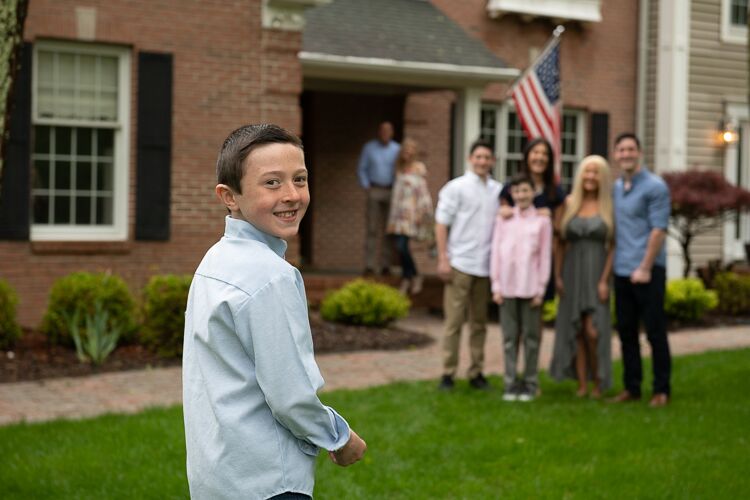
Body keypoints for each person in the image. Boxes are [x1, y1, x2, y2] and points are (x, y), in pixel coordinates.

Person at [183, 124, 367, 499]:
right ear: (228, 196)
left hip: (218, 475)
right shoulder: (271, 277)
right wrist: (339, 437)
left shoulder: (215, 261)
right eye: (272, 183)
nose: (292, 195)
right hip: (267, 482)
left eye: (300, 179)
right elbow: (290, 394)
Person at [609, 132, 672, 408]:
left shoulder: (655, 187)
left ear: (640, 152)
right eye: (621, 150)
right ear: (615, 155)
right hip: (622, 271)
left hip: (648, 271)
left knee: (655, 332)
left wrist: (645, 267)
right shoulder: (616, 188)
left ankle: (661, 389)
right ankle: (631, 387)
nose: (626, 154)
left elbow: (659, 230)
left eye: (630, 149)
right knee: (626, 332)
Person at [435, 139, 502, 390]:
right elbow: (441, 223)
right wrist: (443, 258)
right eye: (479, 157)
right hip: (459, 264)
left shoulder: (497, 191)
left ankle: (476, 372)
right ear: (470, 159)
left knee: (479, 324)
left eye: (487, 157)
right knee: (453, 323)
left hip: (485, 266)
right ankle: (448, 373)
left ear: (493, 161)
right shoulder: (456, 188)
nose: (483, 161)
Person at [549, 155, 614, 398]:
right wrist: (557, 276)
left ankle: (598, 381)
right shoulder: (569, 203)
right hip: (571, 271)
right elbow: (560, 243)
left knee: (593, 331)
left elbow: (614, 246)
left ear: (603, 177)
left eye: (596, 172)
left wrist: (604, 280)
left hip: (597, 272)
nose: (590, 177)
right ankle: (582, 385)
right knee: (575, 330)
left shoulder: (608, 205)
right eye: (587, 172)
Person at [490, 175, 552, 402]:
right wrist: (496, 286)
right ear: (512, 195)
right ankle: (510, 384)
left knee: (531, 338)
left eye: (525, 191)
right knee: (509, 338)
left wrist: (541, 289)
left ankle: (530, 383)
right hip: (506, 287)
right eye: (517, 192)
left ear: (533, 192)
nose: (521, 195)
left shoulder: (542, 222)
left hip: (530, 288)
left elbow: (545, 257)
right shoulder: (503, 220)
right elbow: (496, 253)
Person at [498, 137, 565, 302]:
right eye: (535, 152)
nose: (540, 157)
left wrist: (550, 218)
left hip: (539, 262)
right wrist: (503, 211)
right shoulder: (509, 189)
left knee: (535, 313)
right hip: (513, 263)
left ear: (550, 160)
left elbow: (559, 231)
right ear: (527, 156)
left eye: (545, 154)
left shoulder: (555, 192)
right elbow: (501, 222)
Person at [386, 138, 434, 295]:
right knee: (400, 247)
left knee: (402, 246)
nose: (407, 153)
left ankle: (412, 276)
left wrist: (423, 211)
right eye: (405, 150)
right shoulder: (399, 168)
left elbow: (422, 191)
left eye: (410, 151)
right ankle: (410, 276)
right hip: (398, 213)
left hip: (412, 212)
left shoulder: (419, 168)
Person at [357, 121, 401, 275]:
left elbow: (401, 169)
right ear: (379, 132)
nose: (385, 134)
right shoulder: (369, 148)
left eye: (388, 131)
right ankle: (369, 265)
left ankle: (385, 265)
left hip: (392, 192)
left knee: (389, 230)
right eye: (383, 131)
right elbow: (362, 168)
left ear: (392, 133)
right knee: (372, 229)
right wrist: (366, 186)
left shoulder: (397, 149)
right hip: (374, 190)